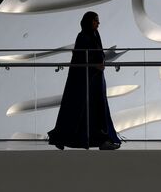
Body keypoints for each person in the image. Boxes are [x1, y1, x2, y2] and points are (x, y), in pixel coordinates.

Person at [47, 11, 121, 150]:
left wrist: (100, 63)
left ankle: (101, 140)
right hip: (84, 80)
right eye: (95, 20)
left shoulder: (95, 35)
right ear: (89, 21)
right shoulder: (82, 37)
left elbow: (99, 54)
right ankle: (65, 138)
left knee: (97, 109)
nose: (98, 23)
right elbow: (80, 58)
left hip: (96, 79)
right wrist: (94, 65)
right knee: (79, 109)